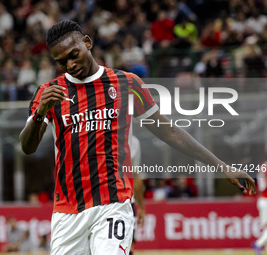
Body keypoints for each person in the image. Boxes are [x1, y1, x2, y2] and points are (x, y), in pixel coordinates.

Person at [19, 20, 256, 255]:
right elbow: (28, 146)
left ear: (87, 43)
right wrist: (40, 112)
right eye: (61, 62)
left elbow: (170, 132)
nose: (70, 65)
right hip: (67, 212)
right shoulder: (48, 93)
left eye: (74, 54)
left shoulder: (127, 84)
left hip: (112, 204)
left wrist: (222, 166)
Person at [253, 160, 267, 255]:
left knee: (266, 228)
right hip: (266, 200)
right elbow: (263, 186)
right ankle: (258, 244)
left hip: (262, 200)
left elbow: (261, 186)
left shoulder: (263, 166)